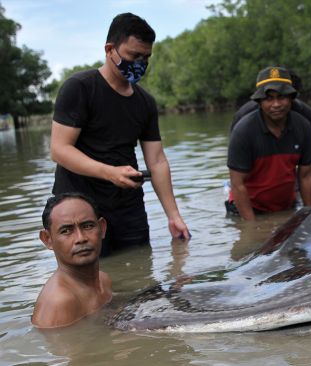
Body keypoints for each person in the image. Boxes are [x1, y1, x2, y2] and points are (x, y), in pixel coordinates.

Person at [50, 13, 190, 257]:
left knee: (140, 274)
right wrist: (110, 173)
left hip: (129, 208)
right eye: (134, 56)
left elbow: (156, 161)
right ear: (109, 49)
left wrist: (173, 215)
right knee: (89, 284)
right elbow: (60, 150)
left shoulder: (145, 102)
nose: (140, 64)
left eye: (146, 58)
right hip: (80, 210)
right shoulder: (80, 88)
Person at [227, 66, 311, 220]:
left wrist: (310, 215)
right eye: (269, 98)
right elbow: (237, 184)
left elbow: (306, 175)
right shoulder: (243, 131)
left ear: (291, 99)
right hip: (249, 209)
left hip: (287, 206)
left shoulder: (303, 126)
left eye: (281, 97)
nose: (276, 104)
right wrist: (252, 228)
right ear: (259, 102)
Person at [32, 193, 112, 328]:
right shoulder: (59, 302)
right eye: (66, 231)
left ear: (102, 228)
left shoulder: (104, 280)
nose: (81, 238)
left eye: (87, 226)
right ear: (48, 239)